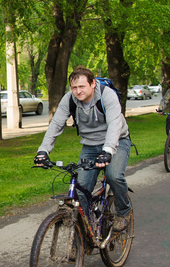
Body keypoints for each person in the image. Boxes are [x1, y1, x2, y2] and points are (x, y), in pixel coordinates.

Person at [33, 66, 133, 231]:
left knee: (113, 176)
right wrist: (43, 150)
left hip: (117, 141)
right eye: (74, 87)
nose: (78, 91)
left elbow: (115, 125)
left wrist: (107, 151)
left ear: (93, 84)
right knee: (81, 189)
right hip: (90, 145)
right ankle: (84, 232)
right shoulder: (69, 99)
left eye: (81, 86)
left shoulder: (107, 95)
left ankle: (124, 212)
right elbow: (56, 124)